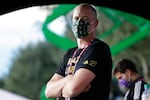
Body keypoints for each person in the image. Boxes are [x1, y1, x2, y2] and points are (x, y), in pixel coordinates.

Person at [45, 3, 112, 100]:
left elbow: (73, 89)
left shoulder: (98, 48)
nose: (79, 22)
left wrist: (61, 89)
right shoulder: (70, 53)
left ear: (95, 23)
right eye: (76, 19)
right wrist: (69, 79)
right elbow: (48, 91)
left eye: (85, 19)